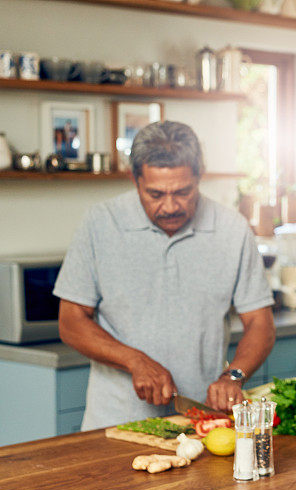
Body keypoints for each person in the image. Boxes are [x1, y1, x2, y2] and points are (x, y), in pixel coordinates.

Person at [55, 121, 276, 430]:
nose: (170, 206)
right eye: (156, 194)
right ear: (136, 180)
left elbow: (260, 323)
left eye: (183, 192)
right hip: (114, 424)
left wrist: (234, 375)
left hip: (200, 422)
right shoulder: (100, 223)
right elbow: (71, 321)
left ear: (199, 177)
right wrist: (135, 361)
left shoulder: (232, 229)